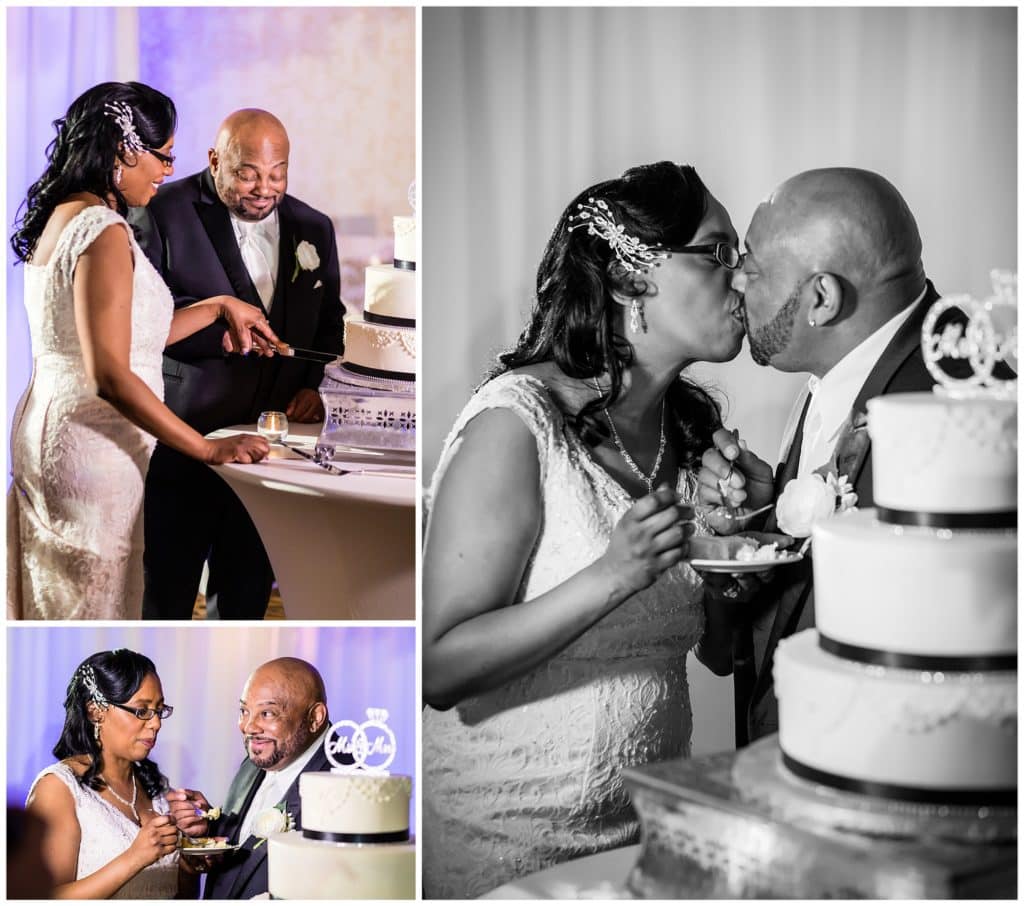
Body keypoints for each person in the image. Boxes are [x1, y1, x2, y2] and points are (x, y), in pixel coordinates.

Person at [421, 161, 747, 898]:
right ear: (633, 279)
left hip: (643, 842)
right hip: (506, 845)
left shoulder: (691, 435)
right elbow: (439, 669)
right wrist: (613, 574)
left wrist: (734, 551)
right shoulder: (516, 423)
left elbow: (720, 658)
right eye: (718, 253)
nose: (744, 277)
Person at [8, 82, 277, 621]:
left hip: (57, 429)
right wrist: (206, 449)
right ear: (124, 151)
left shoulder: (67, 213)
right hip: (92, 448)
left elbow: (127, 339)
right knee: (91, 602)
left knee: (62, 598)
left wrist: (219, 305)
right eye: (163, 157)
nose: (166, 172)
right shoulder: (104, 231)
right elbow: (110, 371)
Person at [697, 167, 941, 746]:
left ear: (822, 299)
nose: (733, 284)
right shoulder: (829, 381)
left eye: (750, 268)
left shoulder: (948, 413)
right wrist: (765, 528)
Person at [131, 109, 346, 620]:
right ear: (214, 160)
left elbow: (329, 324)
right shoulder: (162, 212)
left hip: (269, 449)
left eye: (278, 174)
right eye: (248, 173)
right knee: (165, 593)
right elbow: (140, 327)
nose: (264, 189)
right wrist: (216, 332)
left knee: (246, 594)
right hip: (183, 435)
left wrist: (314, 387)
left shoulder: (314, 227)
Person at [165, 657, 344, 899]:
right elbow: (248, 853)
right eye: (244, 711)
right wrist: (209, 828)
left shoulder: (347, 785)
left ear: (315, 717)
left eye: (267, 713)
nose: (248, 726)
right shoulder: (253, 763)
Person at [24, 649, 192, 899]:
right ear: (96, 712)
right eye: (142, 710)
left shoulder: (156, 787)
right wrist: (134, 858)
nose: (156, 723)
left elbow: (179, 893)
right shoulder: (59, 789)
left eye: (159, 710)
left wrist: (193, 857)